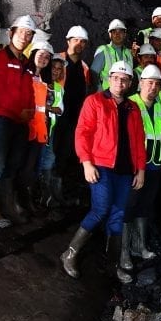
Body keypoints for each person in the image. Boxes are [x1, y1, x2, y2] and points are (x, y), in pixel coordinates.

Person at [60, 61, 146, 283]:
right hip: (101, 165)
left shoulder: (132, 108)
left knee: (117, 216)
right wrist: (86, 162)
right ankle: (70, 253)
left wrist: (141, 169)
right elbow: (83, 133)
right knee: (101, 209)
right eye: (116, 78)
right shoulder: (95, 101)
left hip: (126, 170)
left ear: (129, 83)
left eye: (124, 79)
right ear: (109, 79)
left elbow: (138, 140)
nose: (119, 82)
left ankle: (113, 265)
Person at [0, 15, 36, 228]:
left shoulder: (27, 64)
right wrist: (18, 111)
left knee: (12, 165)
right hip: (1, 119)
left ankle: (9, 208)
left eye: (29, 33)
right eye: (21, 32)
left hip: (21, 122)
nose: (24, 36)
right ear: (11, 33)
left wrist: (29, 111)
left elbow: (30, 91)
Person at [123, 64, 161, 265]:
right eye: (150, 83)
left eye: (157, 84)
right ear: (140, 83)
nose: (153, 88)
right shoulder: (130, 104)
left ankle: (139, 246)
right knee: (128, 206)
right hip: (133, 166)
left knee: (145, 206)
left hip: (154, 165)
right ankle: (124, 251)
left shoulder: (160, 108)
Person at [52, 26, 91, 204]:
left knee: (70, 154)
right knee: (55, 155)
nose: (79, 44)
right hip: (57, 117)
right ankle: (52, 195)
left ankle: (65, 193)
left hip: (76, 118)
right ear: (68, 41)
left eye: (83, 41)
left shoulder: (84, 67)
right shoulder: (57, 60)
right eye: (76, 40)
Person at [22, 40, 54, 217]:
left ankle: (30, 202)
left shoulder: (46, 82)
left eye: (47, 57)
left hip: (40, 131)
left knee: (34, 169)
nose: (43, 58)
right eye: (41, 54)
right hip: (25, 130)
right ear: (33, 54)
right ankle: (22, 203)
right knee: (24, 168)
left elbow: (46, 108)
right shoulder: (24, 75)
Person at [38, 55, 64, 208]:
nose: (56, 71)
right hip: (38, 127)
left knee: (49, 158)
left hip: (51, 128)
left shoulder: (59, 88)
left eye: (59, 69)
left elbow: (60, 109)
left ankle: (46, 196)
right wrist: (48, 109)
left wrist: (46, 108)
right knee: (38, 159)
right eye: (54, 67)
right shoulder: (40, 83)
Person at [91, 19, 134, 90]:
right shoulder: (103, 50)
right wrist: (100, 92)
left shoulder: (128, 52)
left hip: (124, 93)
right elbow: (94, 74)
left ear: (125, 34)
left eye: (120, 31)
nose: (117, 34)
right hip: (107, 94)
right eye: (114, 31)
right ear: (110, 35)